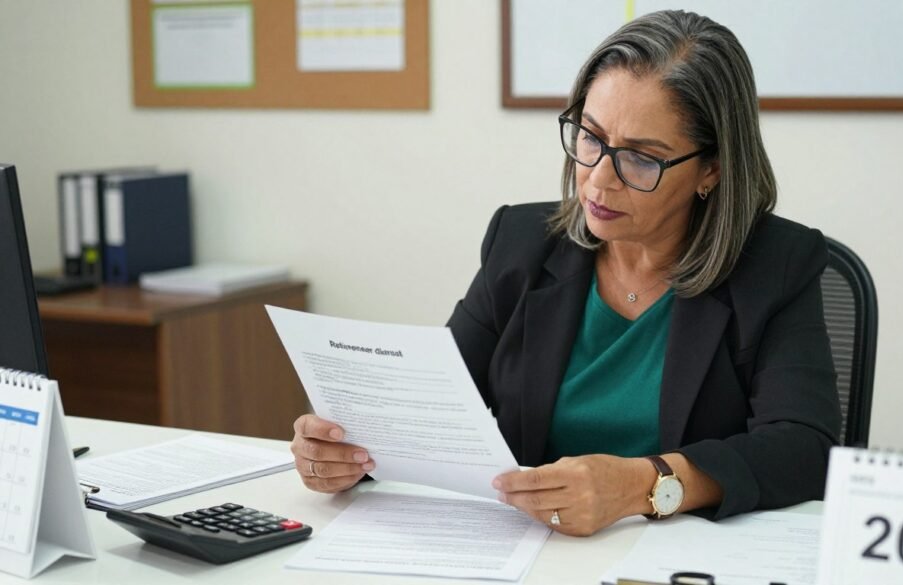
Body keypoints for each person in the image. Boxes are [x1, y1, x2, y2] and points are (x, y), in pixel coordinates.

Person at [290, 9, 841, 537]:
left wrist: (644, 486)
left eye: (642, 158)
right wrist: (347, 452)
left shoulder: (775, 264)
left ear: (712, 169)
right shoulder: (522, 244)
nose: (599, 181)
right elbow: (433, 408)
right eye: (591, 137)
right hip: (531, 552)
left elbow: (803, 448)